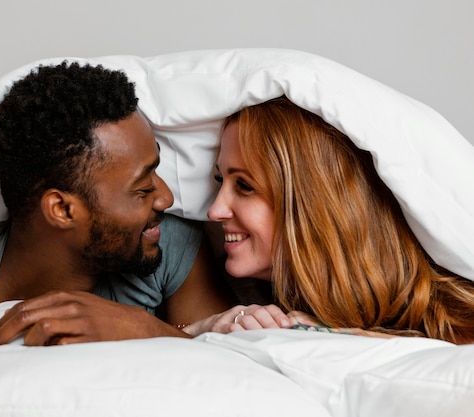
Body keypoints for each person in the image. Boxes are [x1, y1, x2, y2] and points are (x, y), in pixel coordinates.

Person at [0, 62, 234, 398]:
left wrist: (141, 327)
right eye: (143, 187)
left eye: (157, 172)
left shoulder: (165, 243)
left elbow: (234, 373)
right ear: (62, 209)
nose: (165, 198)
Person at [184, 96, 474, 344]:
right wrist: (202, 328)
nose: (215, 210)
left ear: (312, 203)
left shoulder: (449, 311)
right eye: (220, 180)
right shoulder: (239, 296)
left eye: (244, 186)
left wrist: (337, 334)